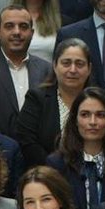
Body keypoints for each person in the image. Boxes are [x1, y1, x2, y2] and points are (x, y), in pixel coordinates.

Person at [0, 5, 51, 139]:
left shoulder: (46, 69)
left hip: (38, 152)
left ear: (32, 33)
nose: (17, 32)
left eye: (23, 27)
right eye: (9, 26)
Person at [14, 38, 92, 167]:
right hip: (46, 176)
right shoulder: (37, 98)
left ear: (89, 69)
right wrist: (55, 169)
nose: (73, 70)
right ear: (55, 66)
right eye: (66, 63)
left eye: (79, 64)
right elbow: (27, 141)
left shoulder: (98, 101)